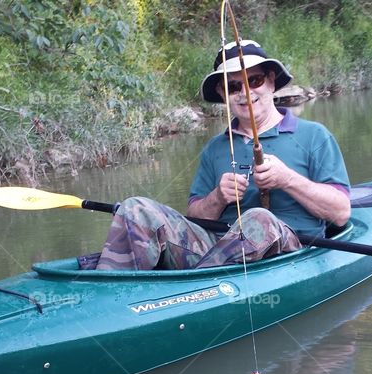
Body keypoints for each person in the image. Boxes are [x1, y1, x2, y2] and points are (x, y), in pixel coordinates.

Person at [95, 39, 350, 271]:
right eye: (233, 86)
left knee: (258, 219)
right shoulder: (215, 148)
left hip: (293, 250)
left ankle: (195, 290)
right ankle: (109, 296)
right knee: (135, 208)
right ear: (222, 93)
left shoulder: (314, 135)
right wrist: (217, 197)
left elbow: (340, 213)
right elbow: (194, 218)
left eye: (255, 80)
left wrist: (288, 180)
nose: (245, 92)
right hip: (214, 251)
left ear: (271, 81)